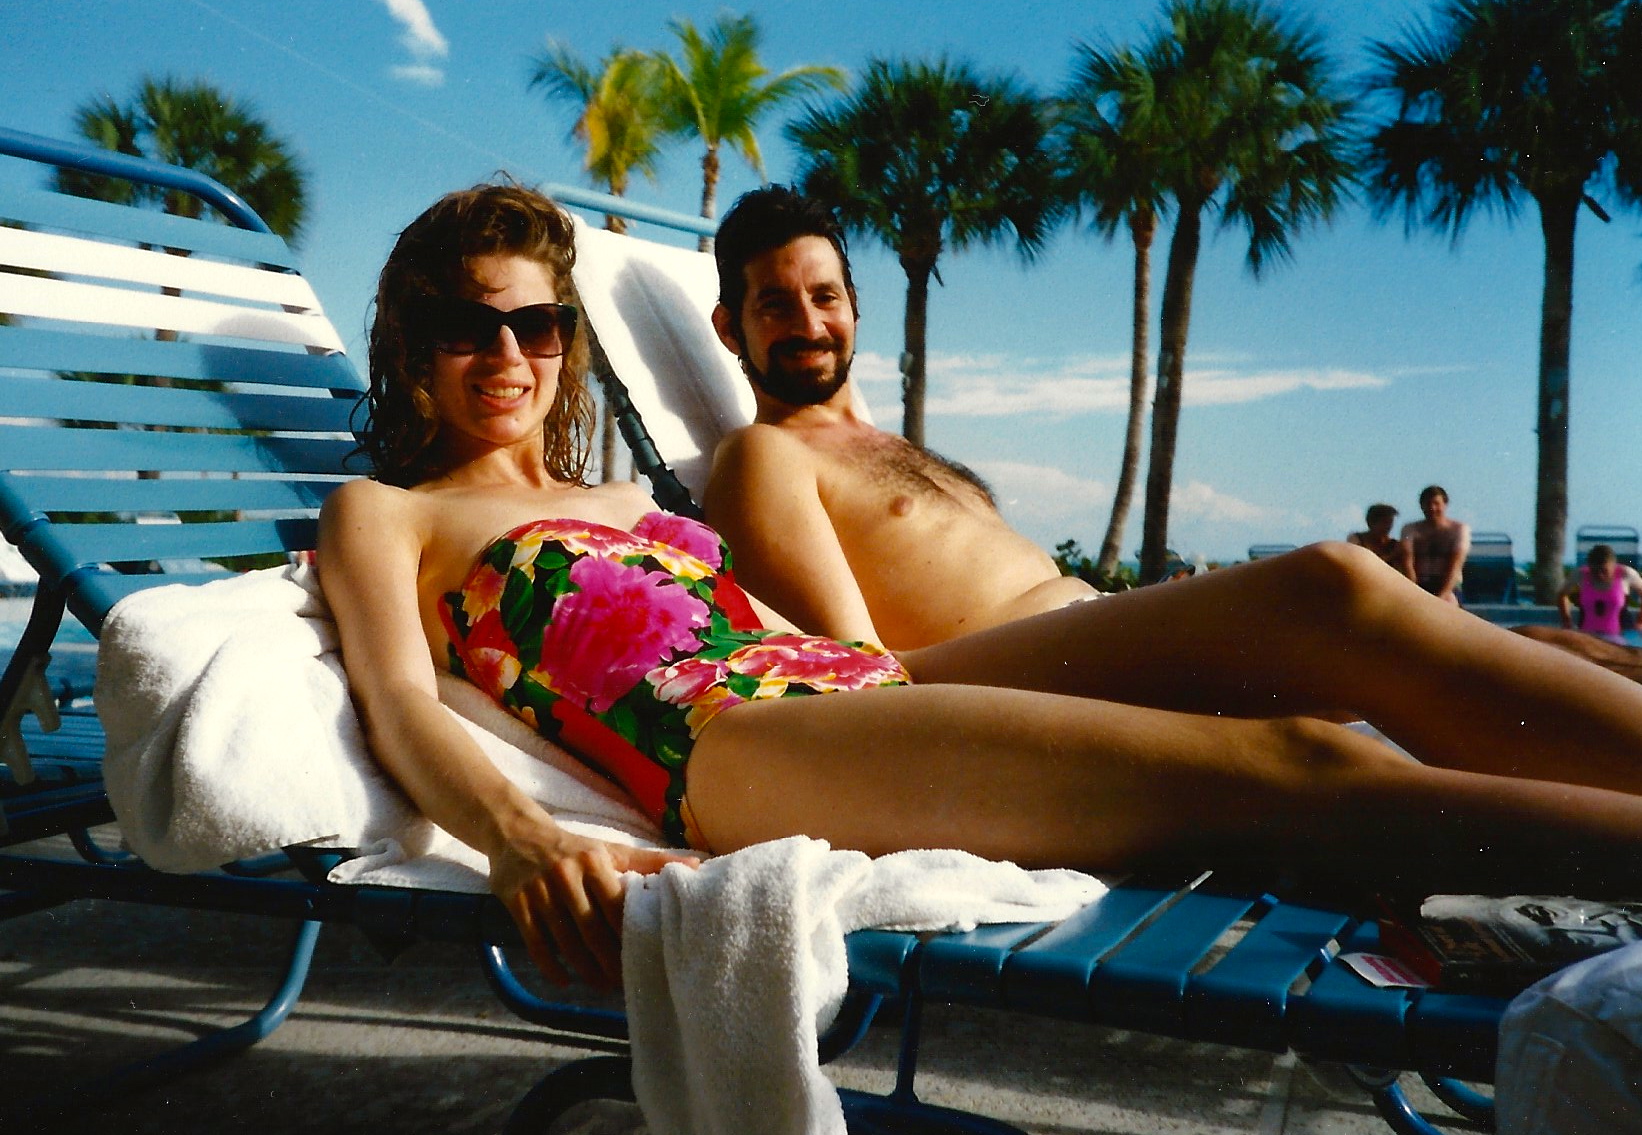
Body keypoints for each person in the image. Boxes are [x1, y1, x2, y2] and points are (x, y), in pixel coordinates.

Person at [319, 181, 1642, 993]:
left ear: (564, 337)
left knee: (1327, 609)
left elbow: (800, 629)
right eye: (465, 324)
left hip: (837, 685)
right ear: (414, 344)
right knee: (1293, 762)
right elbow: (399, 699)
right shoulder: (387, 511)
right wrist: (518, 834)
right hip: (727, 736)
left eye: (535, 321)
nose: (505, 351)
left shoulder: (627, 500)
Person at [699, 185, 1096, 651]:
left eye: (825, 297)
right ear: (729, 329)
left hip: (1089, 633)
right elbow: (858, 668)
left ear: (853, 306)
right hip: (1034, 666)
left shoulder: (892, 446)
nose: (809, 326)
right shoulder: (763, 453)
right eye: (776, 306)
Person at [1401, 485, 1470, 604]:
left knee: (1448, 602)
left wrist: (1442, 596)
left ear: (1445, 504)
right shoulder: (1410, 530)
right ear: (1421, 506)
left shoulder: (1459, 530)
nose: (1432, 508)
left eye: (1436, 504)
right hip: (1419, 584)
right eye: (1427, 504)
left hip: (1449, 586)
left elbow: (1456, 565)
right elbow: (1407, 562)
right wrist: (1414, 592)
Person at [1558, 543, 1642, 640]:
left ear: (1613, 565)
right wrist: (1566, 621)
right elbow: (1562, 595)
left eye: (1604, 570)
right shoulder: (1580, 574)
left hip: (1621, 636)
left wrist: (1640, 621)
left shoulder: (1626, 574)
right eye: (1595, 571)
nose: (1600, 575)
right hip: (1587, 635)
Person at [1346, 503, 1412, 576]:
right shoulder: (1356, 539)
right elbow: (1358, 564)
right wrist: (1392, 556)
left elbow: (1409, 574)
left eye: (1390, 522)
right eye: (1384, 522)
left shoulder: (1396, 545)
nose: (1388, 527)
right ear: (1371, 523)